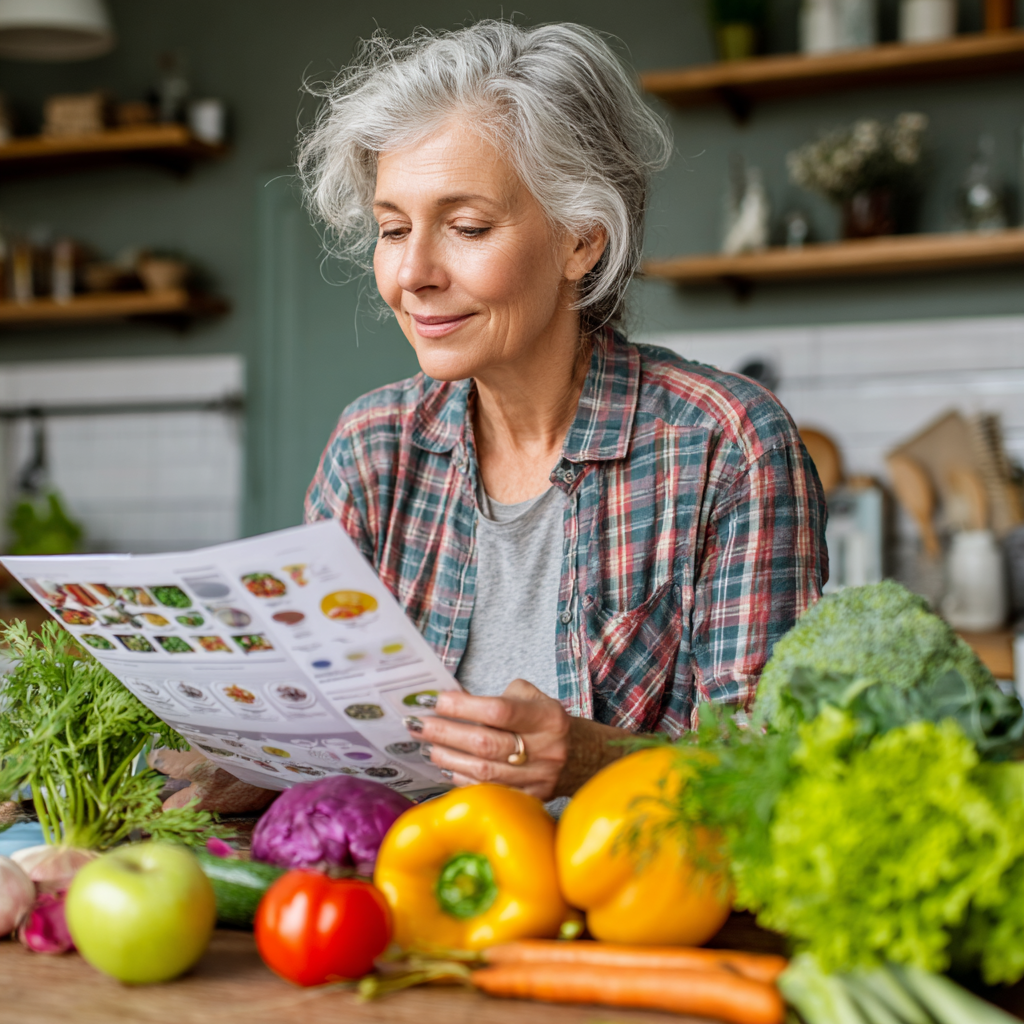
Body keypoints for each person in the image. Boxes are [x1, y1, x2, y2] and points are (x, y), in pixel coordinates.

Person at [302, 21, 827, 805]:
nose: (412, 274)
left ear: (582, 240)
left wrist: (596, 758)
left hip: (629, 913)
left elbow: (778, 778)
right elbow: (320, 722)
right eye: (392, 230)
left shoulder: (727, 444)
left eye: (467, 227)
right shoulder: (371, 448)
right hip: (399, 905)